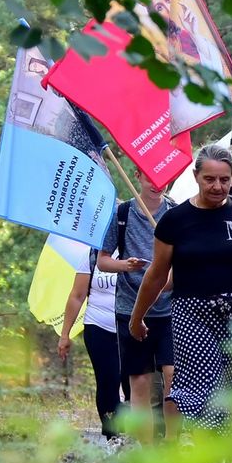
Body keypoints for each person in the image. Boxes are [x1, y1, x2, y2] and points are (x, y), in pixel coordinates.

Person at [130, 143, 232, 436]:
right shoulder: (175, 221)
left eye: (224, 180)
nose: (217, 186)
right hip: (192, 315)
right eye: (209, 179)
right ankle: (207, 455)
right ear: (196, 176)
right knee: (203, 387)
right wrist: (137, 317)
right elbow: (156, 274)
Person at [97, 171, 175, 444]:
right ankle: (144, 452)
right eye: (150, 178)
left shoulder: (175, 212)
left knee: (172, 378)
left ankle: (173, 445)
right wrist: (125, 265)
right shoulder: (122, 213)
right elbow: (103, 261)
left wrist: (167, 279)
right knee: (139, 382)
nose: (157, 184)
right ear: (137, 177)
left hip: (169, 310)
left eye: (162, 178)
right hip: (130, 308)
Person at [58, 244, 128, 439]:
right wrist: (65, 334)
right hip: (98, 327)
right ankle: (113, 436)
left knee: (133, 382)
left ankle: (137, 432)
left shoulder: (137, 248)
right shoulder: (92, 255)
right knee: (108, 382)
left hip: (132, 327)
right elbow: (77, 296)